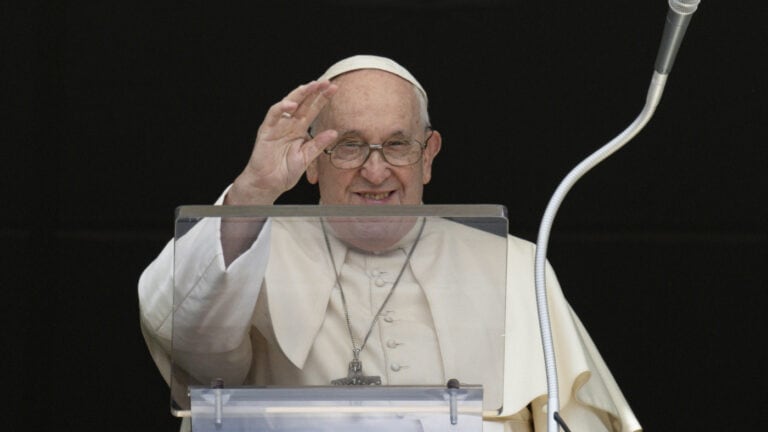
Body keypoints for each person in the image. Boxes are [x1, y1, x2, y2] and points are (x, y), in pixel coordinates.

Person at [138, 55, 642, 431]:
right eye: (348, 146)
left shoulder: (515, 265)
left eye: (398, 145)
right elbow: (194, 355)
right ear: (311, 158)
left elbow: (573, 419)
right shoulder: (245, 247)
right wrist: (253, 192)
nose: (374, 172)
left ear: (428, 155)